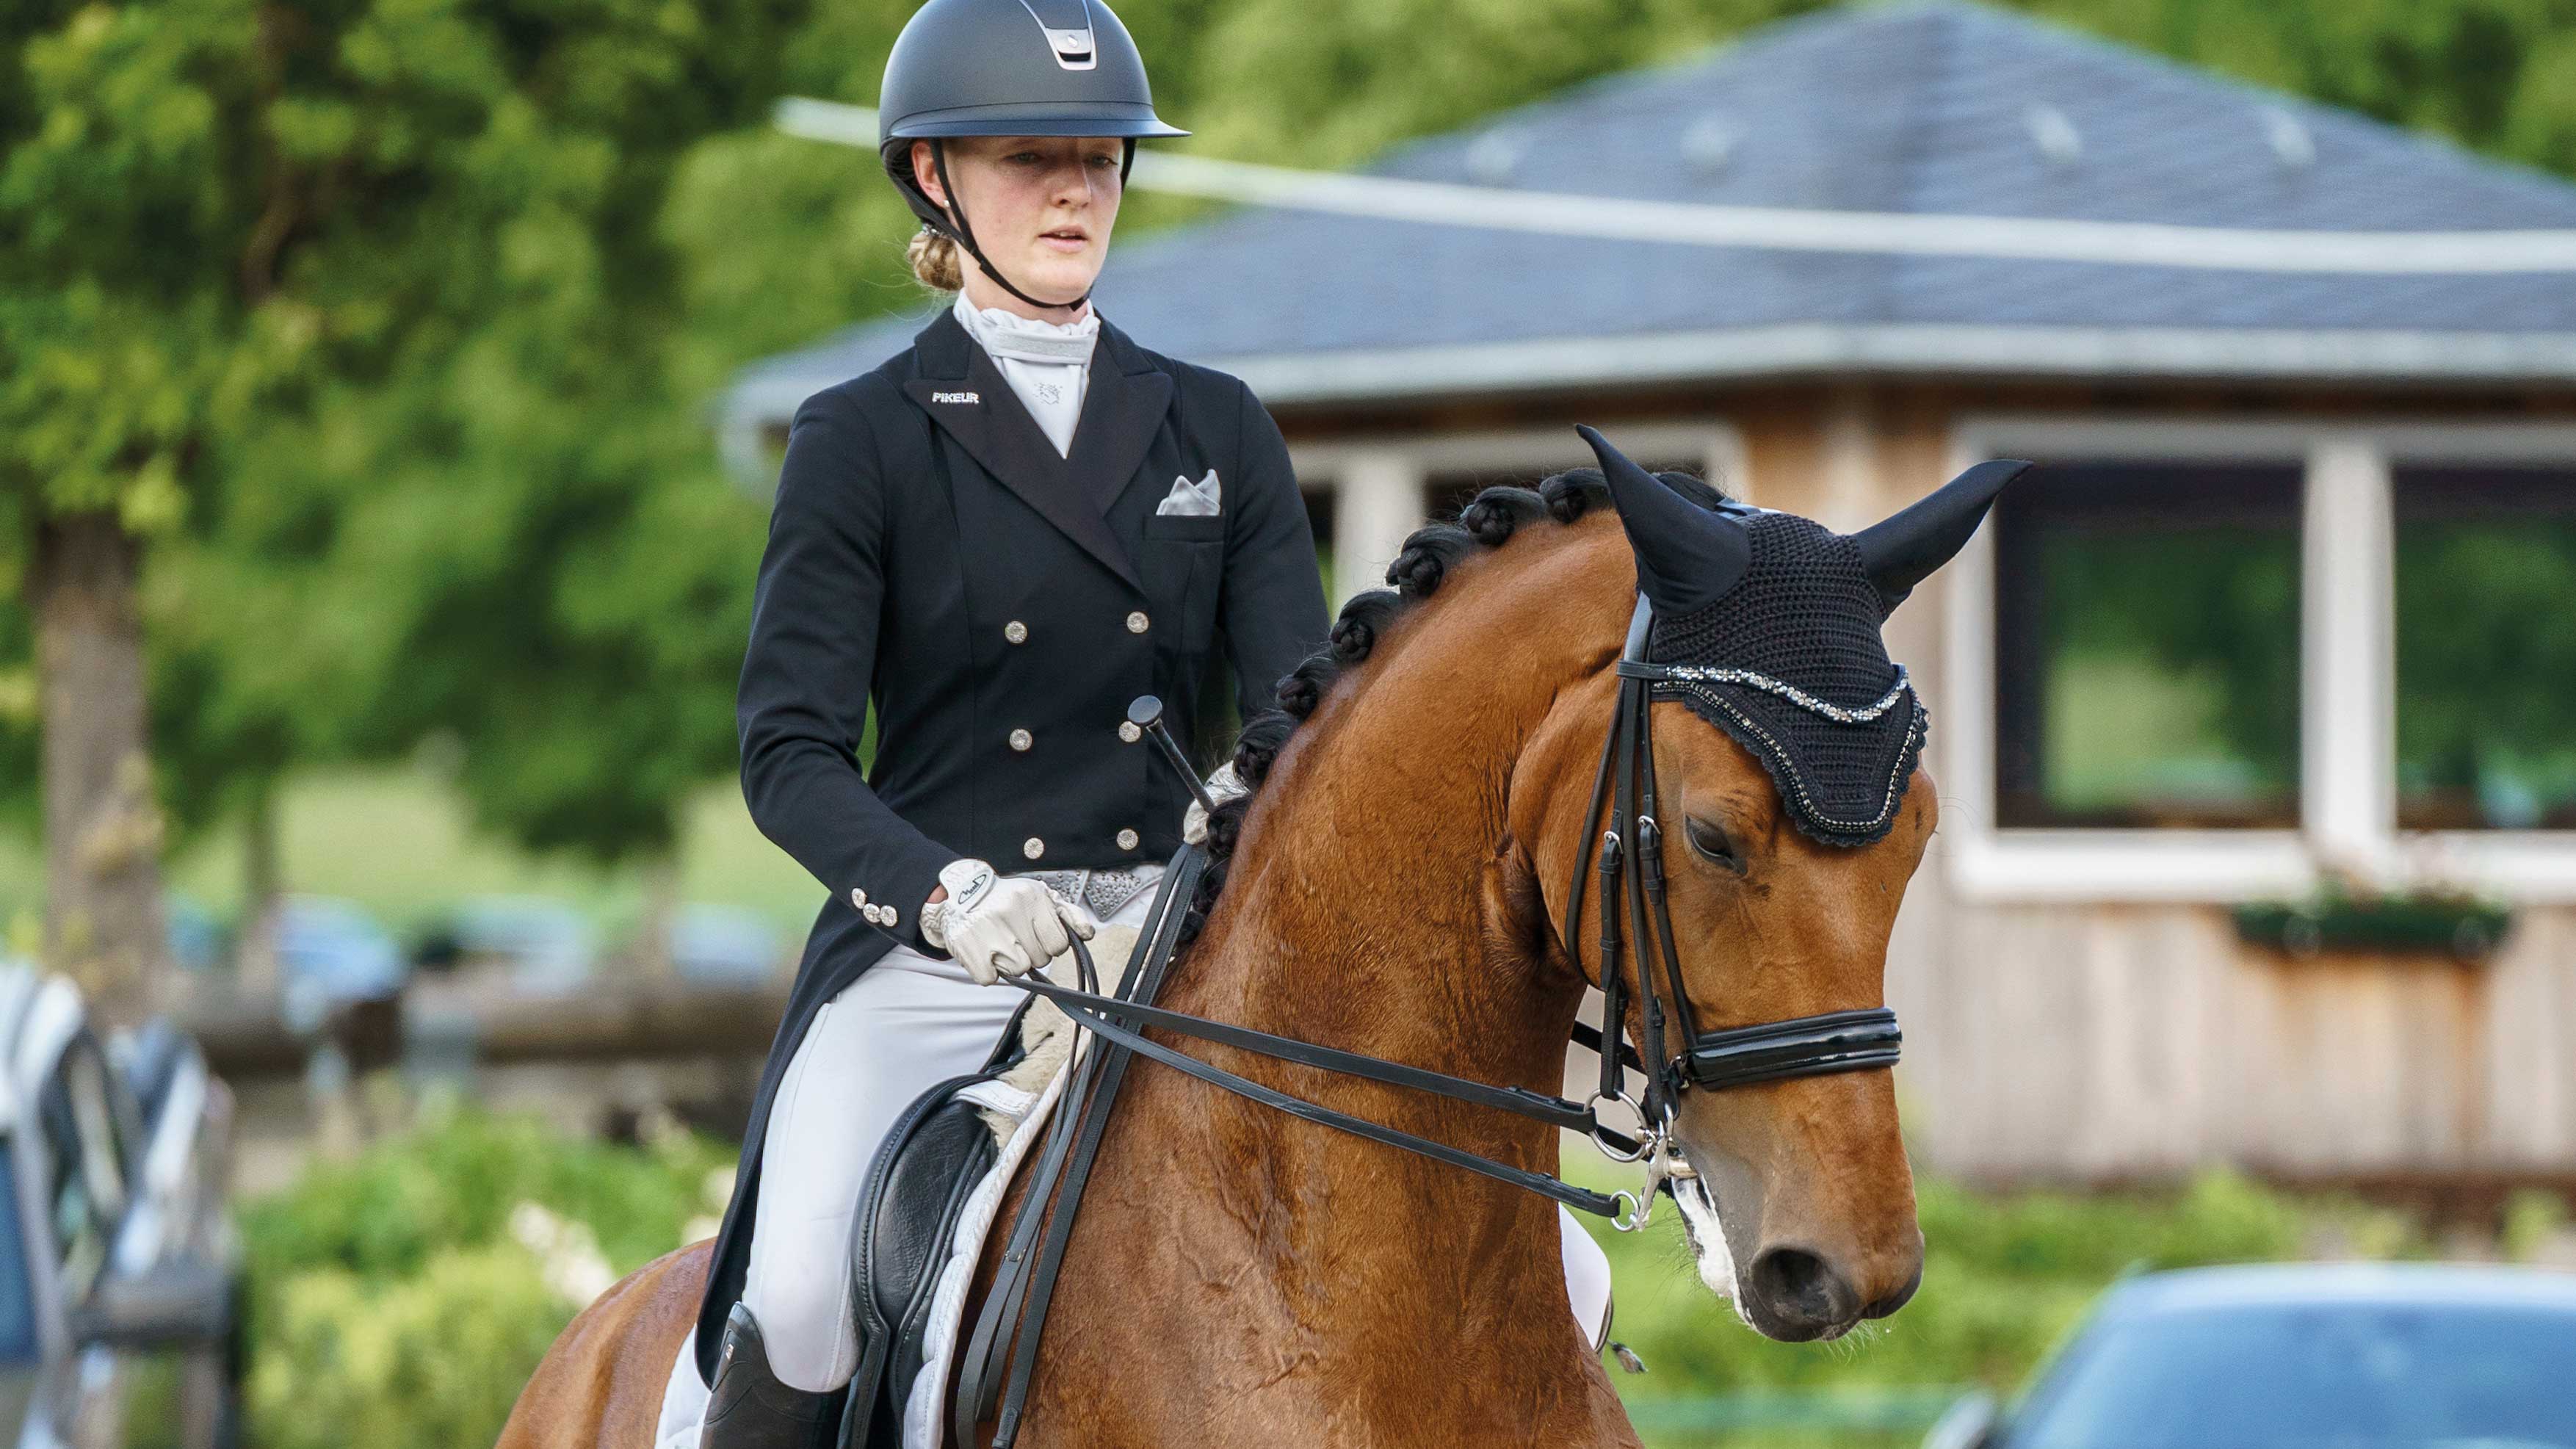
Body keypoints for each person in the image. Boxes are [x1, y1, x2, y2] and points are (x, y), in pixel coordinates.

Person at [690, 2, 1607, 1444]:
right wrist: (948, 896)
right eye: (1028, 157)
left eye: (1099, 159)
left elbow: (1308, 732)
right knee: (803, 1293)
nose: (1073, 191)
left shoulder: (1214, 427)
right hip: (942, 951)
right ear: (935, 178)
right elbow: (786, 756)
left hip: (1180, 947)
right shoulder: (860, 436)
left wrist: (1235, 840)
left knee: (1559, 1256)